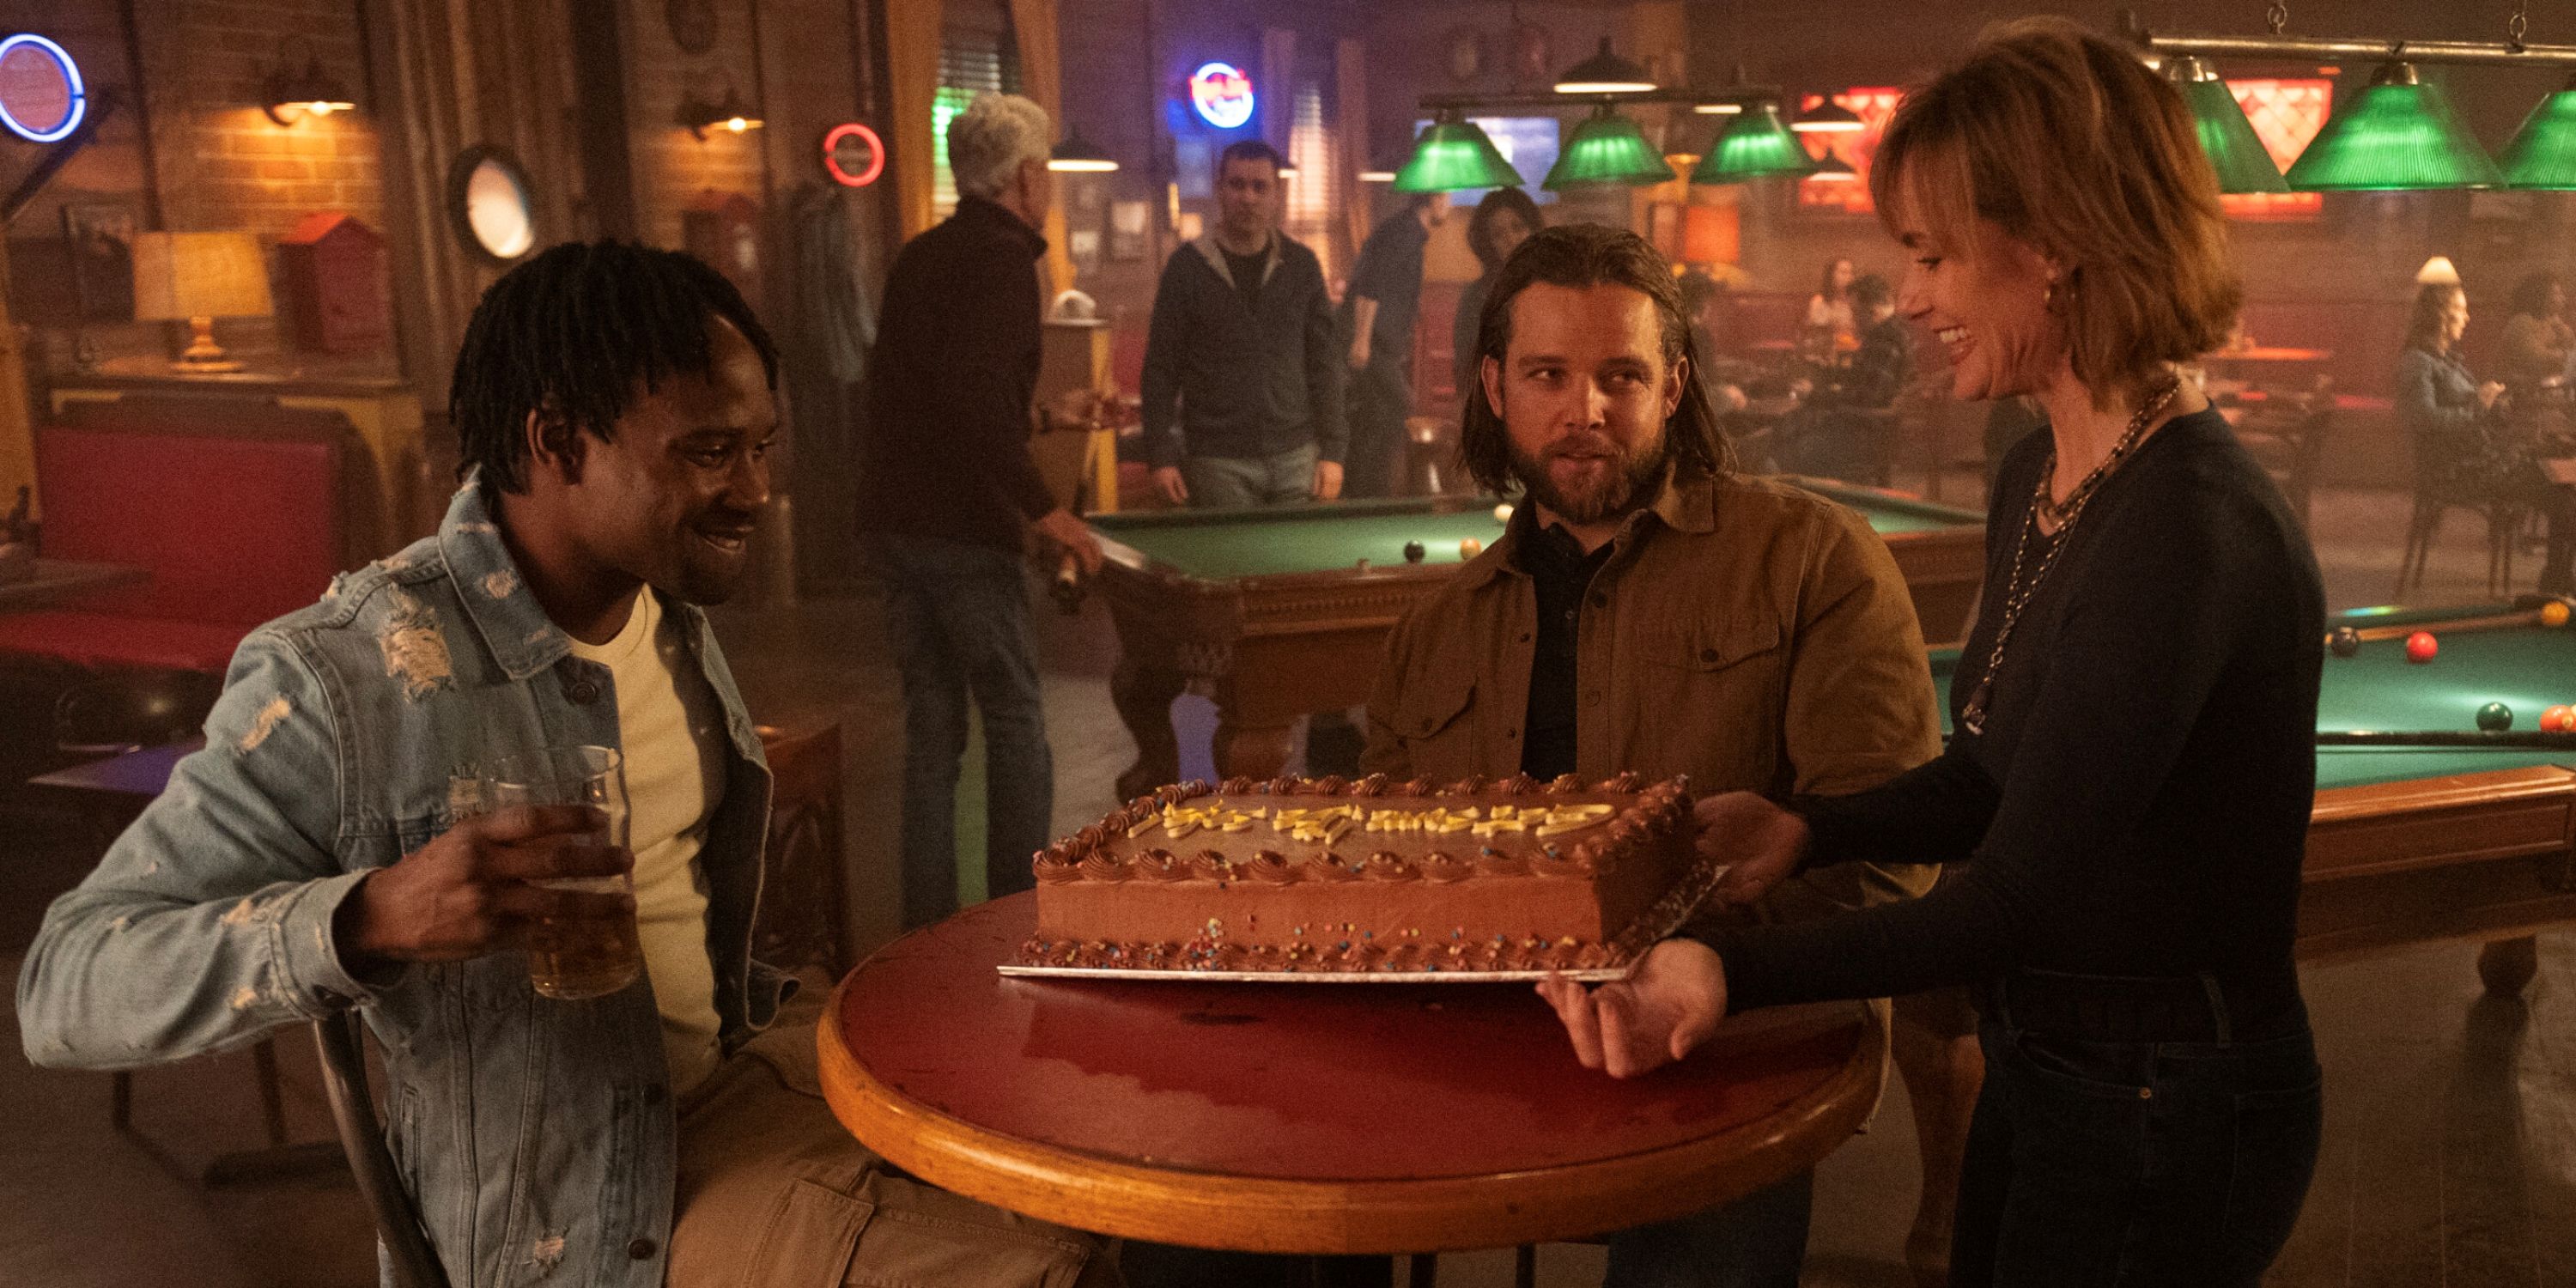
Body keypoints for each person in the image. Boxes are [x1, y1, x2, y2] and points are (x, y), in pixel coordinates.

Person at [17, 241, 1120, 1287]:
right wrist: (368, 918)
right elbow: (68, 985)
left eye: (762, 446)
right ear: (556, 443)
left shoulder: (661, 603)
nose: (755, 489)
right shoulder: (347, 674)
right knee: (1062, 1272)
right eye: (707, 452)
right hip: (582, 1215)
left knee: (1131, 1200)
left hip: (763, 1088)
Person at [1539, 21, 2331, 1287]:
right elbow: (1987, 774)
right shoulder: (2042, 468)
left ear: (2056, 246)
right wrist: (1814, 829)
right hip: (2055, 1063)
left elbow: (2008, 901)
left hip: (2167, 1100)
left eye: (1932, 254)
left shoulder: (2188, 531)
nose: (1908, 296)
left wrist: (1717, 969)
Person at [1363, 222, 1969, 1288]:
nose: (1585, 409)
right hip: (1477, 1048)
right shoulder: (1435, 629)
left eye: (1621, 376)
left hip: (1726, 1049)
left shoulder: (1810, 558)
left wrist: (1694, 964)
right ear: (1496, 387)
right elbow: (1385, 871)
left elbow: (1887, 859)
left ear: (1676, 385)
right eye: (1549, 374)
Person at [857, 92, 1105, 930]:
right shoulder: (1004, 262)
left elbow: (942, 404)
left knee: (933, 732)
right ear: (1029, 177)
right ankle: (1012, 916)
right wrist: (1051, 513)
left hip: (894, 525)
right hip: (963, 534)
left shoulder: (922, 254)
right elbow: (968, 408)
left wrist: (1045, 419)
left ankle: (925, 930)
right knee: (1014, 717)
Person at [1140, 139, 1345, 508]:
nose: (1248, 197)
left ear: (1277, 194)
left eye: (1259, 187)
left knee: (1300, 566)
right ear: (1220, 189)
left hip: (1296, 455)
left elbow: (1325, 364)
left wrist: (1334, 450)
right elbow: (1161, 368)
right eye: (1237, 185)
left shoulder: (1302, 266)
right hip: (1216, 461)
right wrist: (1160, 454)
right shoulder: (1186, 268)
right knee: (1234, 567)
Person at [2399, 281, 2575, 595]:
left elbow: (2472, 408)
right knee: (2560, 485)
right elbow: (2425, 420)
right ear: (2440, 316)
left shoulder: (2446, 358)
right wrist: (2481, 406)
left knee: (2561, 476)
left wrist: (2496, 405)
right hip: (2455, 468)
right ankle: (2557, 580)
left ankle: (2558, 577)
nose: (2467, 318)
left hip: (2480, 457)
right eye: (2461, 310)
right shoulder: (2418, 362)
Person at [1341, 191, 1449, 498]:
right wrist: (1361, 340)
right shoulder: (1404, 232)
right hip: (1373, 345)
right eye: (1446, 195)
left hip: (1380, 345)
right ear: (1435, 199)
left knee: (1374, 419)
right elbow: (1370, 283)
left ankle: (1364, 496)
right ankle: (1368, 496)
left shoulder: (1407, 231)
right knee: (1399, 407)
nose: (1449, 203)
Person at [1781, 272, 1911, 483]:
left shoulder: (1885, 340)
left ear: (1873, 312)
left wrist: (1814, 394)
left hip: (1862, 436)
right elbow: (1865, 378)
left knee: (1787, 448)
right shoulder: (1890, 332)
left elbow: (1867, 396)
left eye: (1855, 313)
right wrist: (1827, 375)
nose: (1852, 320)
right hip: (1868, 431)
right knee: (1794, 432)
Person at [1452, 186, 1543, 404]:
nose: (1510, 239)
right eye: (1498, 234)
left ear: (1533, 229)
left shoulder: (1554, 288)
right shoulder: (1478, 297)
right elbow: (1466, 367)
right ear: (1488, 244)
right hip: (1494, 406)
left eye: (1518, 227)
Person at [2498, 270, 2573, 389]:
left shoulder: (2554, 322)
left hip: (2543, 389)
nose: (2562, 298)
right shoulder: (2521, 322)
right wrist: (2566, 356)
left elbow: (2571, 347)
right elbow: (2535, 358)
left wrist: (2561, 329)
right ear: (2541, 296)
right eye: (2556, 293)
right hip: (2514, 392)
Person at [1801, 255, 1858, 361]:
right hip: (1825, 355)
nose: (1849, 277)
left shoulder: (1857, 303)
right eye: (1843, 273)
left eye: (1851, 273)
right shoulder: (1819, 302)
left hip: (1852, 353)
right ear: (1831, 276)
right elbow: (1816, 335)